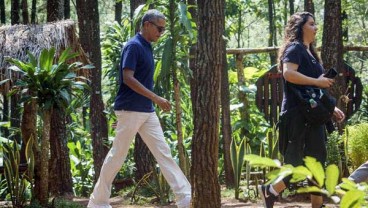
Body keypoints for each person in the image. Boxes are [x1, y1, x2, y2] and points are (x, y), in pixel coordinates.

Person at [87, 9, 191, 208]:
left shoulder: (147, 46)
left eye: (164, 29)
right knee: (118, 155)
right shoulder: (133, 46)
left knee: (163, 152)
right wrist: (156, 98)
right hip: (130, 110)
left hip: (146, 111)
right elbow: (128, 78)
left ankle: (185, 197)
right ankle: (97, 202)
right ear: (146, 25)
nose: (161, 33)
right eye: (159, 28)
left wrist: (153, 102)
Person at [258, 12, 345, 208]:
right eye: (312, 24)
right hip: (296, 116)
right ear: (300, 27)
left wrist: (331, 108)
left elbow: (313, 91)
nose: (316, 28)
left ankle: (317, 205)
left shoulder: (311, 54)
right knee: (295, 164)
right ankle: (270, 190)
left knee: (317, 163)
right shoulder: (295, 48)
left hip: (312, 117)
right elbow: (289, 74)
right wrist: (317, 81)